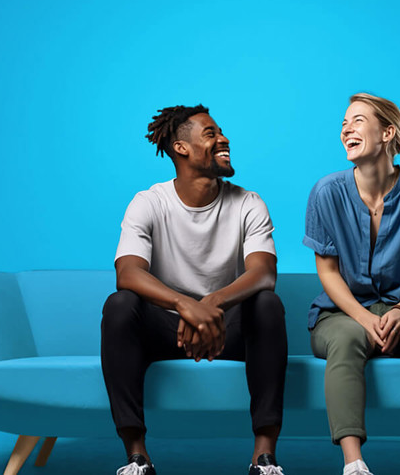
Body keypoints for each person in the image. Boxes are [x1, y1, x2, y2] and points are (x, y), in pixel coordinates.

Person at [102, 104, 288, 475]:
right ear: (181, 148)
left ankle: (264, 458)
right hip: (165, 329)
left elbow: (264, 272)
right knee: (119, 305)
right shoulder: (149, 202)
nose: (224, 139)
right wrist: (184, 305)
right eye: (210, 133)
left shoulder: (248, 203)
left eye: (221, 132)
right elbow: (128, 272)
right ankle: (137, 456)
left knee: (267, 304)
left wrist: (211, 303)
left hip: (225, 329)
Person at [303, 93, 400, 475]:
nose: (346, 129)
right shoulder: (326, 192)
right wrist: (364, 318)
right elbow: (328, 272)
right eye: (344, 123)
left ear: (387, 132)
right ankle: (354, 464)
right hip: (339, 312)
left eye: (357, 120)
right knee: (345, 340)